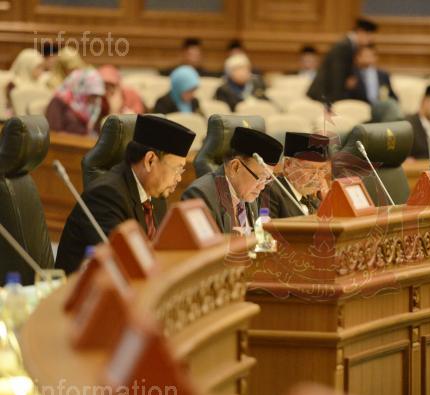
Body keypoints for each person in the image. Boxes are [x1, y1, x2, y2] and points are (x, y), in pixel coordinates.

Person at [55, 115, 196, 274]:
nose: (179, 178)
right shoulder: (106, 196)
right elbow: (123, 264)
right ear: (150, 160)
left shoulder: (156, 196)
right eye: (176, 169)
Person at [182, 127, 283, 234]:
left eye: (266, 179)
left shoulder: (249, 195)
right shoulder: (200, 196)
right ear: (235, 167)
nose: (262, 187)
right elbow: (208, 243)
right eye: (260, 178)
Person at [260, 132, 331, 218]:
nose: (316, 177)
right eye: (309, 168)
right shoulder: (271, 191)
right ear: (287, 165)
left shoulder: (311, 198)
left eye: (321, 169)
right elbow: (266, 225)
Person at [307, 18, 378, 102]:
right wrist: (337, 100)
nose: (370, 40)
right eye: (369, 35)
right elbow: (337, 75)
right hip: (324, 93)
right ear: (361, 32)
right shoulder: (344, 46)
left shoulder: (350, 45)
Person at [45, 68, 107, 136]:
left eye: (97, 95)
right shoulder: (58, 102)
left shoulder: (94, 108)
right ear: (81, 89)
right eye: (92, 95)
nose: (95, 99)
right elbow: (53, 133)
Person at [5, 49, 45, 114]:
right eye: (38, 67)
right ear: (27, 65)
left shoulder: (42, 82)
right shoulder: (13, 84)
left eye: (42, 67)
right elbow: (8, 110)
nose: (41, 71)